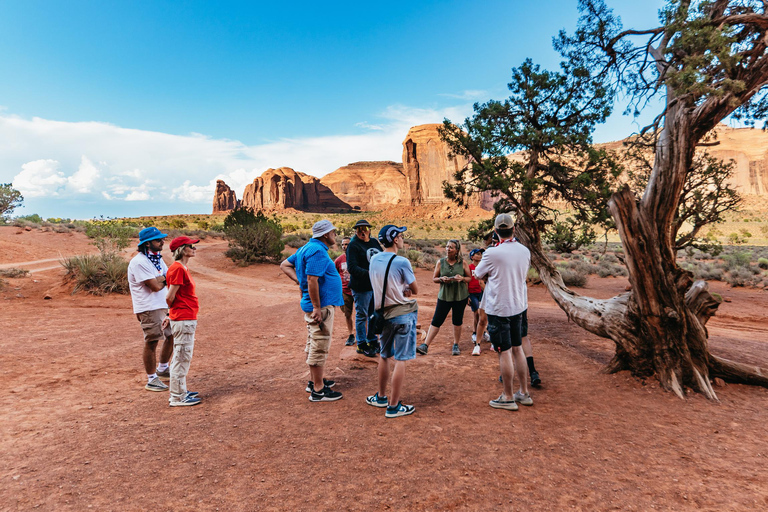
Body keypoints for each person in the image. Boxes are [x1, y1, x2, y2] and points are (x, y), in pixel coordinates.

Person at [280, 220, 344, 402]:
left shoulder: (306, 248)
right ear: (325, 234)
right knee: (319, 344)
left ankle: (315, 380)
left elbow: (285, 265)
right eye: (333, 232)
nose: (335, 235)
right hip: (320, 307)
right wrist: (316, 306)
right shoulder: (317, 251)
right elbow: (312, 280)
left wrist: (299, 282)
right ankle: (318, 390)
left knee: (314, 342)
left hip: (318, 305)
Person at [474, 213, 533, 410]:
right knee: (518, 348)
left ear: (496, 231)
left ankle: (507, 396)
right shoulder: (524, 250)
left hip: (499, 308)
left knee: (504, 351)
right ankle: (523, 392)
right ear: (513, 229)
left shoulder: (492, 253)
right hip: (519, 306)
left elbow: (478, 273)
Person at [366, 225, 419, 418]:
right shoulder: (402, 261)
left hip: (383, 314)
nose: (403, 238)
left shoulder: (373, 260)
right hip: (403, 314)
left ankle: (381, 397)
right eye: (401, 235)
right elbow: (415, 289)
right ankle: (394, 406)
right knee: (401, 359)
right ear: (395, 239)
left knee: (384, 354)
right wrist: (405, 288)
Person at [127, 226, 174, 392]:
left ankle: (162, 369)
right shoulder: (139, 262)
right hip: (148, 307)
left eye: (162, 239)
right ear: (147, 244)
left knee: (171, 335)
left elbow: (167, 278)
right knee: (152, 340)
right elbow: (154, 286)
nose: (162, 242)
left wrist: (162, 280)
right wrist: (163, 280)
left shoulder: (156, 258)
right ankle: (151, 379)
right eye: (158, 240)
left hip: (162, 304)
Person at [416, 240, 471, 356]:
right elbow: (434, 278)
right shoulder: (440, 263)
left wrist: (462, 278)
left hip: (460, 296)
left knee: (457, 320)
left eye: (451, 247)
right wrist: (442, 279)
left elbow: (469, 278)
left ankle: (456, 345)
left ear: (456, 251)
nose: (448, 249)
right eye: (447, 246)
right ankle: (425, 345)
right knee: (437, 320)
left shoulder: (463, 263)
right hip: (444, 296)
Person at [165, 236, 202, 407]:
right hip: (183, 317)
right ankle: (177, 397)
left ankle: (181, 391)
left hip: (185, 317)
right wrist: (172, 313)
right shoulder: (178, 269)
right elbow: (170, 297)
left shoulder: (182, 268)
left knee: (183, 355)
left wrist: (170, 314)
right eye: (191, 246)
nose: (194, 248)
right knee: (181, 356)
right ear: (182, 249)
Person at [346, 219, 383, 358]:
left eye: (365, 228)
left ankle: (373, 340)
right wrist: (370, 273)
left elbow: (381, 258)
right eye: (359, 229)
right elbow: (352, 267)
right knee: (362, 315)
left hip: (375, 285)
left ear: (369, 229)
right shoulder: (353, 245)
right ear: (356, 231)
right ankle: (361, 345)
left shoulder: (374, 242)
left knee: (374, 313)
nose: (362, 231)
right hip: (361, 287)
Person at [334, 237, 356, 346]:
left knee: (363, 314)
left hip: (358, 290)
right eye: (343, 245)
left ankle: (365, 335)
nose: (344, 247)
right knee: (347, 314)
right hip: (345, 291)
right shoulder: (339, 260)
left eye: (346, 244)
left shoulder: (358, 258)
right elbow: (334, 274)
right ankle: (351, 334)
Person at [468, 248, 487, 356]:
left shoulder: (483, 267)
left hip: (481, 292)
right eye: (477, 254)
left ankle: (482, 332)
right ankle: (475, 333)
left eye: (481, 254)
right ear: (472, 256)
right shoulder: (469, 267)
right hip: (472, 293)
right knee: (476, 313)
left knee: (482, 314)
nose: (480, 256)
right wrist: (467, 295)